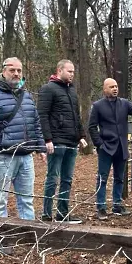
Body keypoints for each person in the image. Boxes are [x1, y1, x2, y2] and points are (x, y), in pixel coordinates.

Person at [0, 57, 46, 226]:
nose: (16, 74)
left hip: (26, 157)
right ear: (3, 71)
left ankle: (28, 238)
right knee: (0, 202)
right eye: (12, 70)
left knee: (27, 200)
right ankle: (2, 240)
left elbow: (35, 123)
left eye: (19, 71)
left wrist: (40, 147)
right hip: (2, 157)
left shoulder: (26, 96)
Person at [88, 78, 132, 220]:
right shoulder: (98, 106)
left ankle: (117, 205)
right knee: (102, 178)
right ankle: (101, 207)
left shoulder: (124, 103)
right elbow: (92, 127)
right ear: (105, 89)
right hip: (106, 148)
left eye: (116, 86)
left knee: (120, 178)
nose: (115, 89)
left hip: (121, 147)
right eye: (111, 87)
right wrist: (99, 144)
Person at [38, 60, 87, 224]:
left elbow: (75, 116)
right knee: (52, 178)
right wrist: (47, 139)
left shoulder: (72, 91)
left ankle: (62, 214)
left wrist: (81, 136)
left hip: (71, 143)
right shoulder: (48, 89)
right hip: (56, 142)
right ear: (59, 70)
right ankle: (46, 214)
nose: (72, 74)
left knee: (67, 180)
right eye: (70, 71)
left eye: (73, 72)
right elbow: (42, 115)